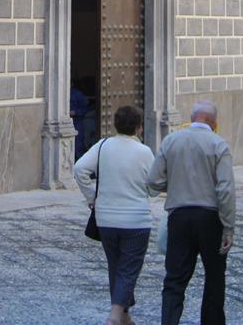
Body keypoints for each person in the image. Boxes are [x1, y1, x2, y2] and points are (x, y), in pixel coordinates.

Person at [146, 100, 235, 325]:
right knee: (214, 277)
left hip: (179, 216)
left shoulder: (171, 140)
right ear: (214, 122)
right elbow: (225, 190)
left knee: (175, 278)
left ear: (192, 117)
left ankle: (169, 321)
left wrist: (176, 185)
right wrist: (228, 227)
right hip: (210, 218)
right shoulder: (219, 144)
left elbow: (153, 181)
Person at [74, 105, 157, 325]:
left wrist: (93, 197)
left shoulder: (103, 146)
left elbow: (79, 169)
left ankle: (125, 316)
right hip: (136, 220)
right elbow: (154, 187)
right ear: (139, 128)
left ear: (115, 125)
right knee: (129, 270)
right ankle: (114, 316)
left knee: (116, 267)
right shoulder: (145, 152)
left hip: (106, 219)